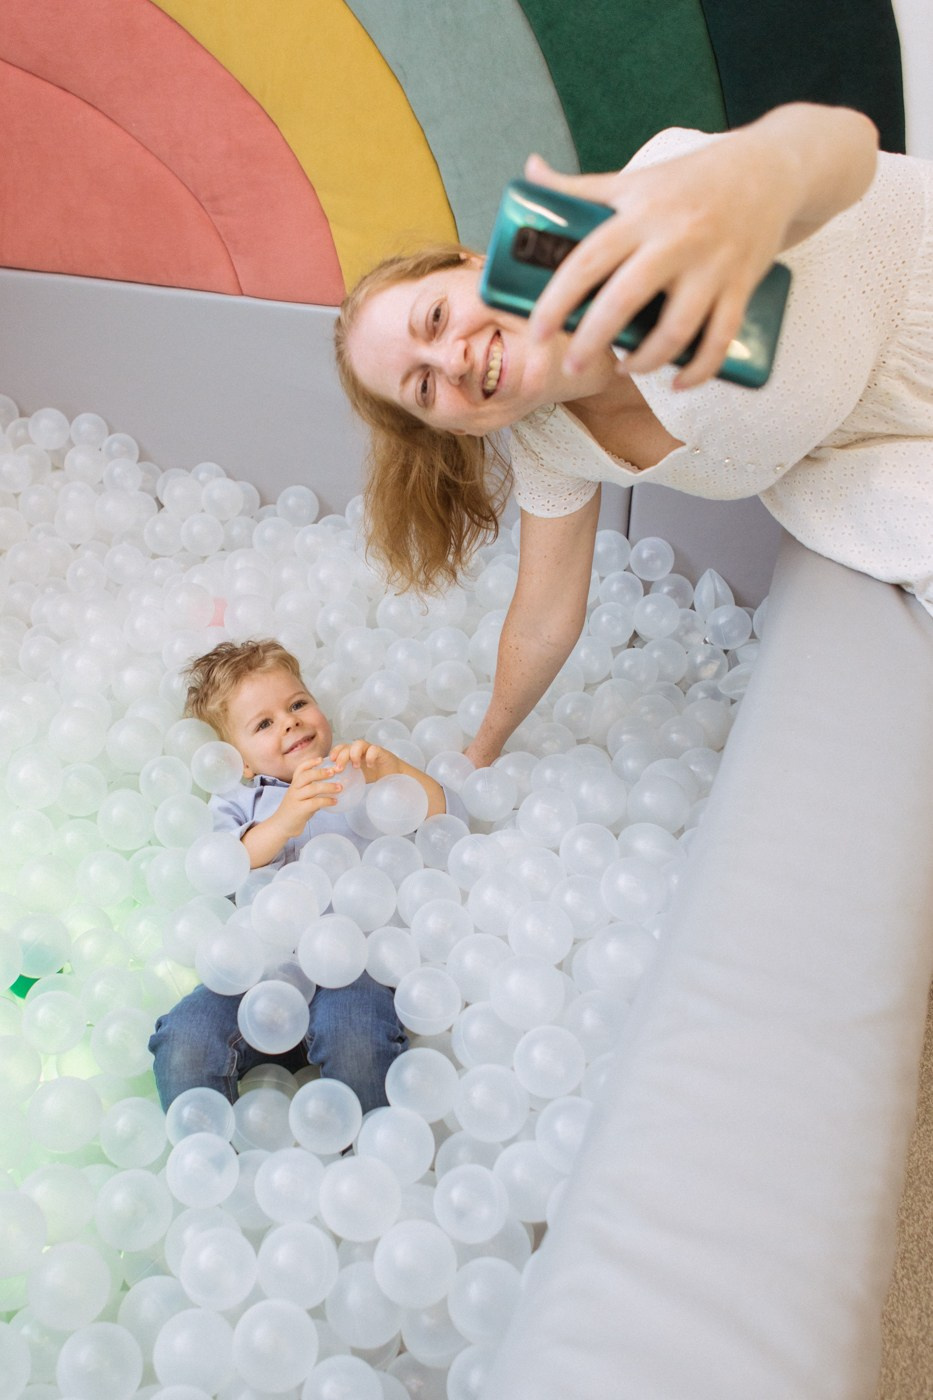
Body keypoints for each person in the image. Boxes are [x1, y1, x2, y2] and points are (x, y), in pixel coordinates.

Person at [333, 102, 933, 769]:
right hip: (876, 447)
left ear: (474, 262)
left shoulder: (649, 211)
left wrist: (765, 178)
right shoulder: (547, 437)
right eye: (423, 387)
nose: (452, 361)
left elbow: (845, 144)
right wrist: (479, 755)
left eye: (436, 317)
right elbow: (542, 615)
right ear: (446, 427)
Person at [148, 638, 452, 1115]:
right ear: (240, 761)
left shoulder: (356, 773)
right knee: (185, 1038)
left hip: (352, 963)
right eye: (264, 723)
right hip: (258, 966)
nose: (289, 721)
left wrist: (394, 771)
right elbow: (229, 865)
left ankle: (371, 1159)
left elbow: (439, 818)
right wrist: (286, 818)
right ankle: (209, 1169)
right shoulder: (236, 799)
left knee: (354, 1032)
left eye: (297, 704)